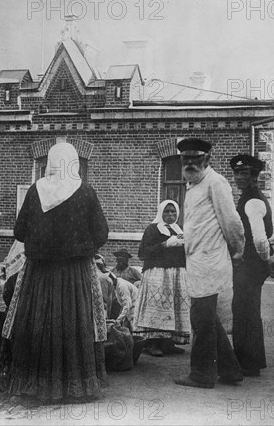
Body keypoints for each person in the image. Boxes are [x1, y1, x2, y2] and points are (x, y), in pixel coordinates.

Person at [3, 142, 109, 401]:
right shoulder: (85, 191)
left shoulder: (35, 190)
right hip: (75, 273)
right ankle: (75, 387)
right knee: (74, 322)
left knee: (38, 321)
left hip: (40, 273)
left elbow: (19, 231)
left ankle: (35, 384)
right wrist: (81, 248)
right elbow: (101, 233)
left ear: (50, 162)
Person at [173, 138, 245, 389]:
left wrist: (237, 252)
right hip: (197, 261)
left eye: (196, 158)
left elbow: (232, 222)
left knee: (201, 319)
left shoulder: (215, 182)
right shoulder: (193, 185)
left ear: (207, 159)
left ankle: (202, 374)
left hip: (210, 261)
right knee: (208, 318)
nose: (190, 163)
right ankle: (231, 370)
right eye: (186, 159)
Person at [230, 154, 274, 377]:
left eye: (245, 174)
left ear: (254, 177)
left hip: (250, 264)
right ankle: (249, 361)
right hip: (250, 263)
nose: (240, 177)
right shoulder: (249, 197)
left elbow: (260, 238)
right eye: (237, 173)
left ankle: (248, 363)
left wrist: (266, 260)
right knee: (245, 310)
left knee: (245, 311)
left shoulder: (252, 201)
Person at [134, 200, 191, 357]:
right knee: (158, 307)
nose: (170, 215)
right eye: (167, 212)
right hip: (158, 274)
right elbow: (143, 253)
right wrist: (165, 244)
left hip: (176, 274)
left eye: (173, 212)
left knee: (173, 307)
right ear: (161, 213)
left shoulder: (179, 230)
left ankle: (169, 343)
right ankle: (153, 344)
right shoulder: (153, 229)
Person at [95, 255, 138, 329]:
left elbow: (127, 305)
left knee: (133, 329)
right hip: (129, 310)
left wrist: (118, 320)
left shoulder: (122, 286)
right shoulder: (116, 287)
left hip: (134, 309)